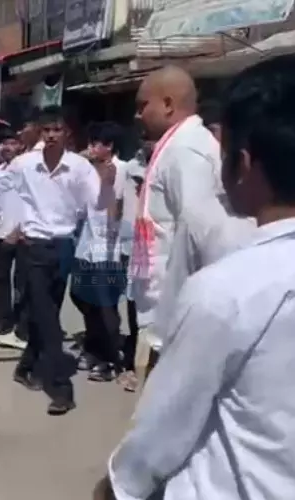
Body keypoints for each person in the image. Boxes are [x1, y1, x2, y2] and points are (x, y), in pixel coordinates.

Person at [95, 53, 295, 500]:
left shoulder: (227, 290)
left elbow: (162, 432)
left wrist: (118, 486)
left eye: (142, 104)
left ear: (242, 165)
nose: (135, 114)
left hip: (190, 319)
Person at [0, 106, 116, 415]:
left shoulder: (79, 167)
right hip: (34, 249)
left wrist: (107, 183)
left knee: (45, 315)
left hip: (64, 247)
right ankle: (61, 390)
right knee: (50, 322)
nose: (52, 135)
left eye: (57, 129)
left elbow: (97, 203)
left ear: (66, 133)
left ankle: (25, 366)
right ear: (39, 133)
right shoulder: (24, 164)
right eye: (46, 130)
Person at [127, 65, 222, 384]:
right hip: (162, 313)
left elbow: (200, 236)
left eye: (142, 106)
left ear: (168, 104)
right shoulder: (175, 145)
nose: (137, 115)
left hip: (175, 319)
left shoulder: (186, 150)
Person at [72, 122, 127, 382]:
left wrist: (107, 184)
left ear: (110, 146)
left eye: (96, 144)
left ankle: (110, 359)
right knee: (81, 296)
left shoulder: (120, 169)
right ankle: (94, 347)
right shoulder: (88, 170)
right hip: (86, 244)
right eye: (90, 143)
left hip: (107, 247)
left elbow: (115, 211)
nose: (91, 148)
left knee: (105, 305)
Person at [116, 139, 151, 393]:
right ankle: (132, 362)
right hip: (133, 243)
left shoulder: (172, 162)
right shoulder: (130, 167)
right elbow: (119, 203)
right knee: (133, 302)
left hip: (159, 244)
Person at [0, 129, 27, 349]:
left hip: (23, 235)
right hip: (1, 233)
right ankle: (5, 319)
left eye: (12, 143)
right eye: (4, 143)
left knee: (22, 281)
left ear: (20, 146)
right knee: (1, 279)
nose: (7, 147)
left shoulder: (28, 171)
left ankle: (21, 322)